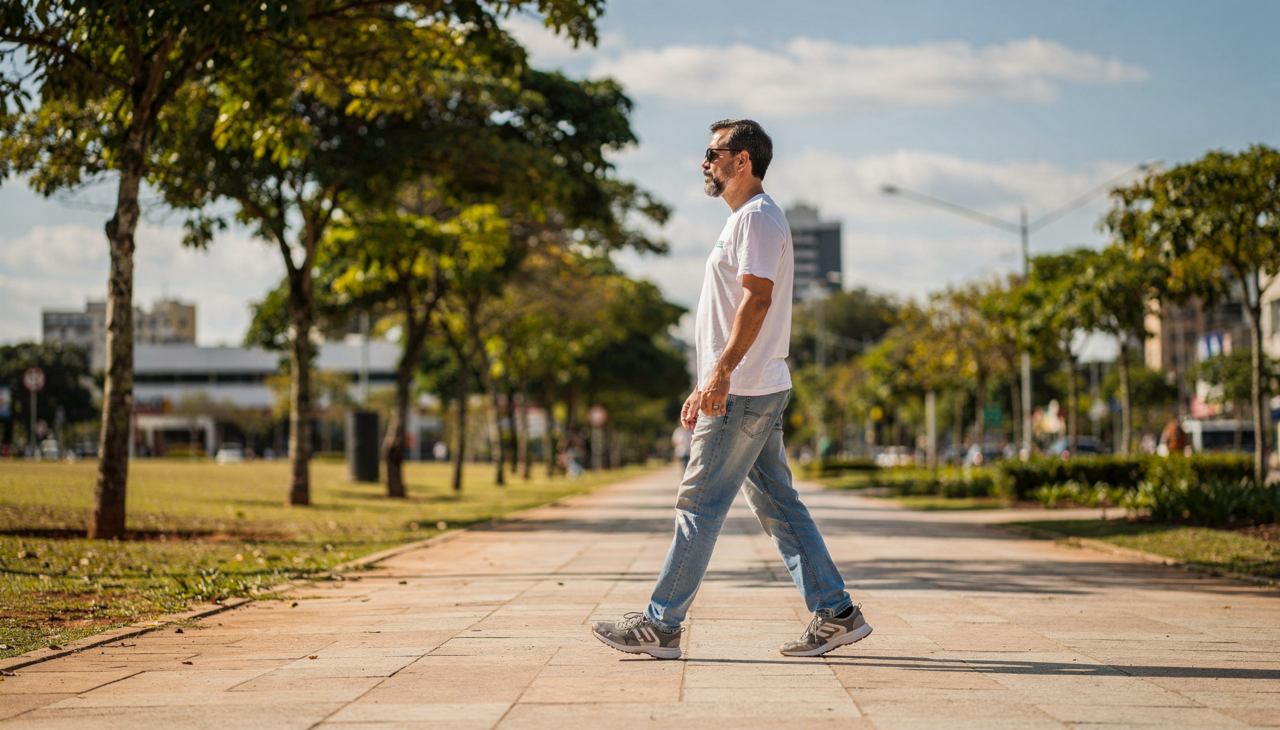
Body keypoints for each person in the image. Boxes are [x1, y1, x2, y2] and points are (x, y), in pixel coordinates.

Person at [592, 119, 870, 660]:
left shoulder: (758, 219)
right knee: (779, 506)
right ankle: (836, 614)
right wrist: (707, 380)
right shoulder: (745, 220)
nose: (705, 162)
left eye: (713, 153)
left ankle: (661, 625)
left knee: (700, 502)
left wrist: (718, 376)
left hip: (741, 389)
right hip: (747, 385)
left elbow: (757, 300)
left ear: (742, 160)